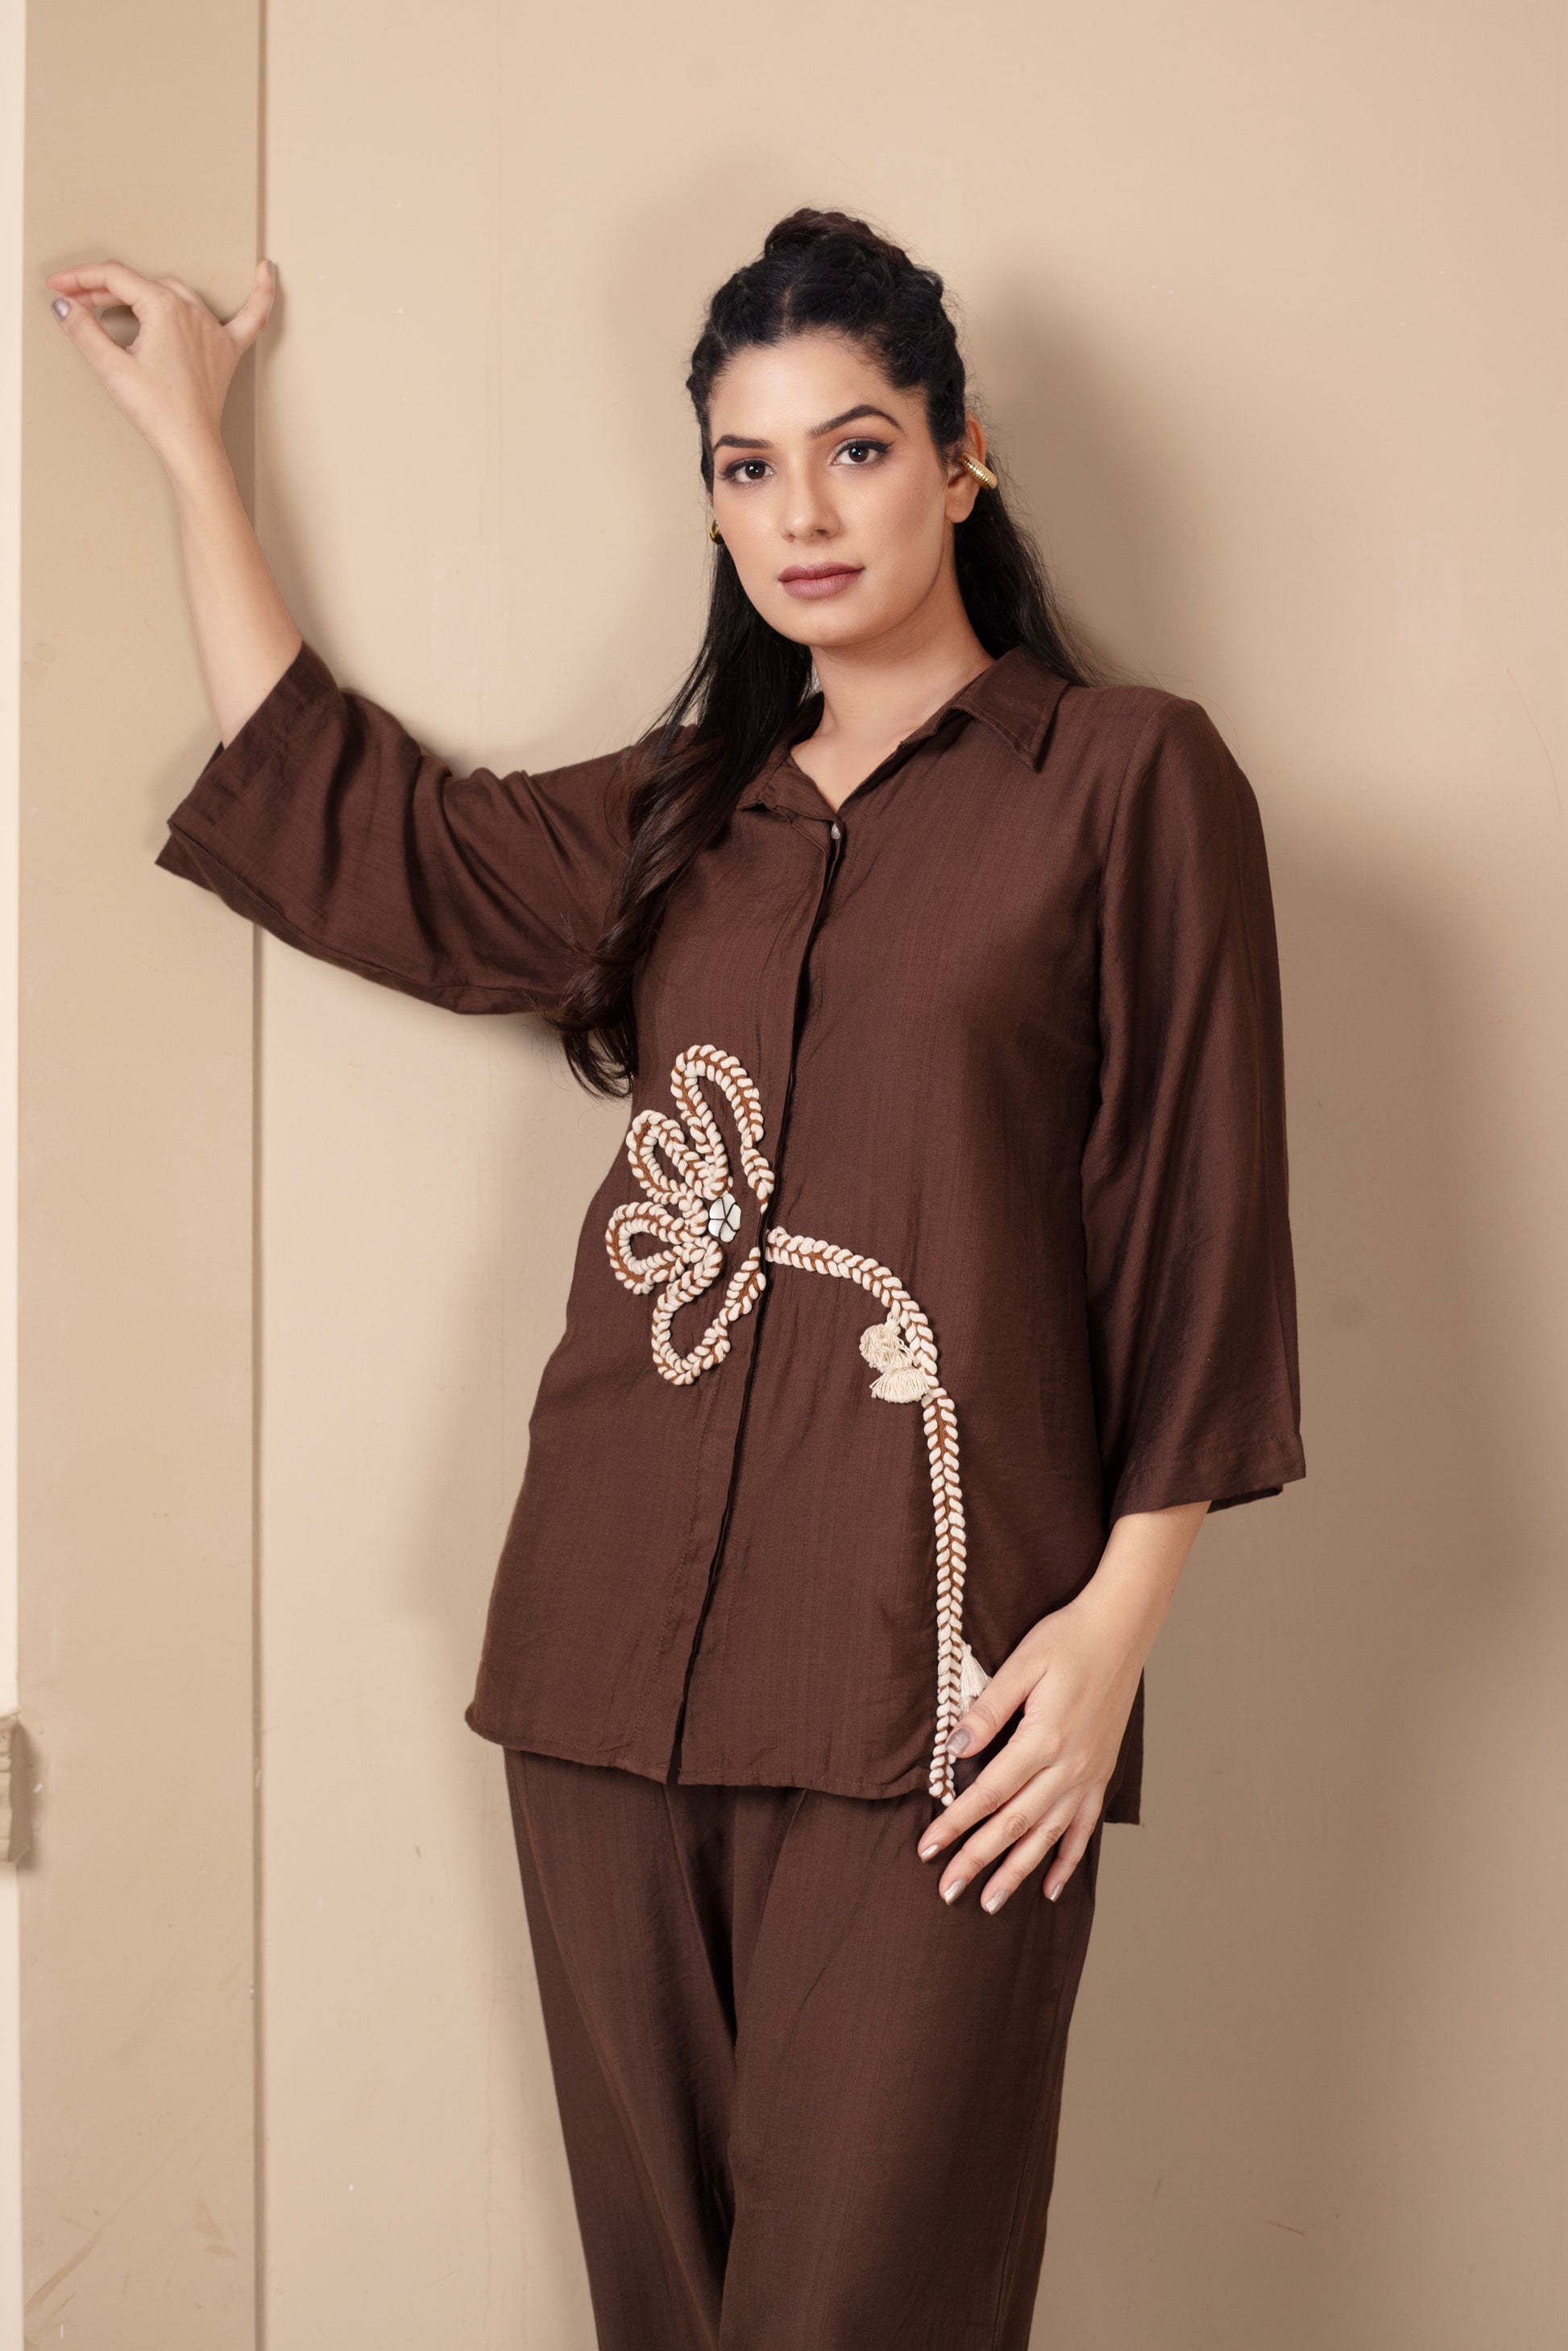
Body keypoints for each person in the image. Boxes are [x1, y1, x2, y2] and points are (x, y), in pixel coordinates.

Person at [48, 209, 1305, 2349]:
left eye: (855, 449)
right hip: (604, 1665)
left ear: (959, 461)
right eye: (746, 465)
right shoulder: (682, 817)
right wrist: (191, 440)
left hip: (947, 1684)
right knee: (669, 2317)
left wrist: (1111, 1634)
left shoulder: (1123, 779)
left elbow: (1201, 1217)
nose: (800, 513)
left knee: (862, 2315)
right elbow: (371, 839)